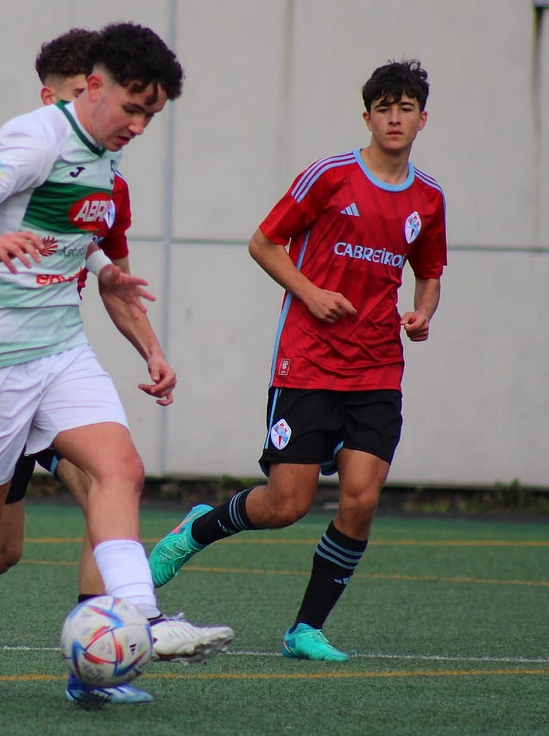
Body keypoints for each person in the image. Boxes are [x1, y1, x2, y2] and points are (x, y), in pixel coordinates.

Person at [0, 22, 233, 699]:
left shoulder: (106, 161)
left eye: (151, 116)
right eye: (132, 108)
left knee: (120, 470)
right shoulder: (35, 138)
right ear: (93, 86)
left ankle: (143, 617)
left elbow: (73, 232)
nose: (139, 126)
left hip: (60, 348)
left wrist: (107, 275)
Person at [148, 59, 447, 661]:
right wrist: (310, 293)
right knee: (286, 504)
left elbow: (430, 272)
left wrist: (422, 313)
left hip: (377, 369)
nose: (394, 118)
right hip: (307, 362)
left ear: (422, 119)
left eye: (406, 108)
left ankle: (305, 629)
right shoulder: (330, 177)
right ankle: (196, 529)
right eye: (384, 108)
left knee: (361, 499)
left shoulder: (429, 198)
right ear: (366, 117)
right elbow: (264, 242)